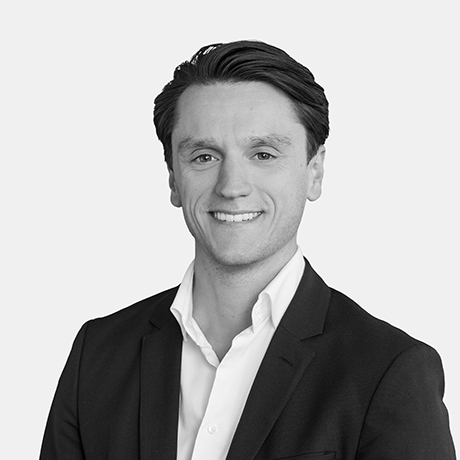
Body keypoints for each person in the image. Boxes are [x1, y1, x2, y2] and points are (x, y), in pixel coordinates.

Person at [40, 40, 456, 460]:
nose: (232, 186)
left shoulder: (389, 370)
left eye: (263, 154)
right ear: (173, 179)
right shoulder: (98, 354)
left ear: (314, 172)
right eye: (204, 156)